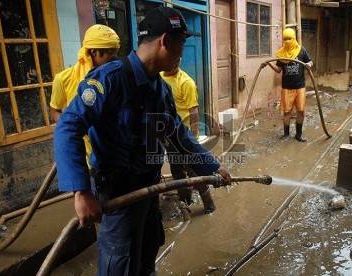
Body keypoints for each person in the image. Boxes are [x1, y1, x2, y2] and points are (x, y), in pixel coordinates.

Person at [53, 7, 232, 276]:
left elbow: (177, 134)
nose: (182, 52)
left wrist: (212, 167)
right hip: (119, 195)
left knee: (147, 255)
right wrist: (81, 191)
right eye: (181, 43)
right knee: (120, 264)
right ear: (164, 41)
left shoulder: (160, 90)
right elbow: (67, 126)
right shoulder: (110, 80)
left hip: (148, 190)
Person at [50, 24, 120, 166]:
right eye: (110, 52)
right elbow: (55, 110)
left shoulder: (116, 77)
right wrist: (73, 127)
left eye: (115, 52)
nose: (114, 57)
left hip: (112, 152)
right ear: (93, 52)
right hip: (83, 155)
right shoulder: (63, 79)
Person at [161, 65, 216, 214]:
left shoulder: (186, 82)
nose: (175, 62)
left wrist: (194, 138)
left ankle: (209, 206)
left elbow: (193, 111)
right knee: (177, 170)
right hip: (168, 136)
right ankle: (185, 200)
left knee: (194, 171)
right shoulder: (159, 77)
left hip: (183, 136)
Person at [269, 28, 313, 142]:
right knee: (287, 112)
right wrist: (269, 64)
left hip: (300, 87)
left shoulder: (301, 50)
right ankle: (286, 134)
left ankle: (298, 135)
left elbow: (310, 61)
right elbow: (278, 70)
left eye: (290, 38)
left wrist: (308, 64)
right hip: (287, 88)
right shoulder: (282, 53)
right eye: (285, 39)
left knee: (301, 111)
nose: (287, 41)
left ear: (294, 39)